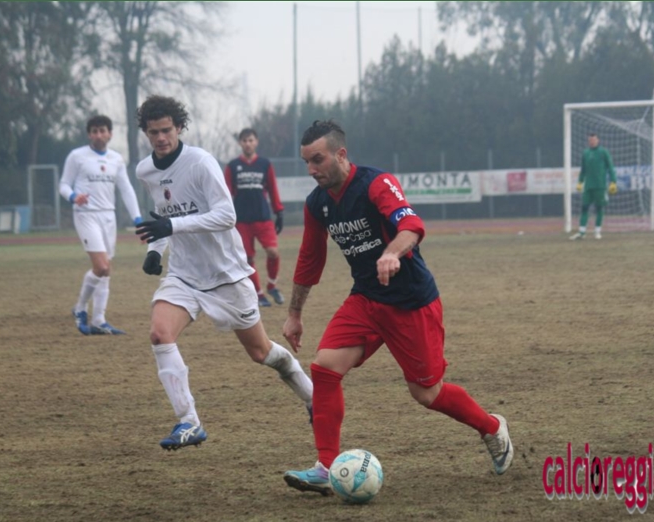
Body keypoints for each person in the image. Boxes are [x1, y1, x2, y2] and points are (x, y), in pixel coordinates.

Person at [281, 120, 513, 495]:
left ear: (341, 154)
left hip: (410, 302)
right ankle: (326, 467)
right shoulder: (317, 204)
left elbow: (411, 225)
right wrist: (294, 314)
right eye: (306, 162)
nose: (311, 169)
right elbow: (310, 259)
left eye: (317, 160)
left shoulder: (376, 183)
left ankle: (492, 428)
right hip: (366, 300)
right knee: (324, 368)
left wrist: (391, 253)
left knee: (427, 394)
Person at [133, 95, 313, 450]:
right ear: (146, 133)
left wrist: (172, 227)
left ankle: (312, 396)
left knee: (261, 353)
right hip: (184, 275)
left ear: (179, 127)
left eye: (167, 130)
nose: (161, 138)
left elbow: (226, 216)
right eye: (153, 132)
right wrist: (156, 250)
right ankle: (189, 422)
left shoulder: (200, 162)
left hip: (227, 276)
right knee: (159, 334)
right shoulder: (145, 171)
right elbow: (163, 217)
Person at [60, 115, 143, 335]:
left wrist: (137, 218)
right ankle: (80, 309)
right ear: (89, 134)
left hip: (109, 217)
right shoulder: (77, 156)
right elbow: (64, 184)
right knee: (102, 267)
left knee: (107, 270)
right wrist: (73, 197)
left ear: (110, 134)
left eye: (102, 130)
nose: (98, 135)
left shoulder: (116, 159)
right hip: (86, 215)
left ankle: (98, 320)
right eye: (94, 131)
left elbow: (126, 189)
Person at [224, 128, 285, 308]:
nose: (248, 144)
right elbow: (226, 193)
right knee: (248, 259)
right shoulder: (233, 166)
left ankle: (272, 285)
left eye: (250, 140)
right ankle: (259, 294)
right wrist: (224, 215)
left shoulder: (265, 164)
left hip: (263, 218)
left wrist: (279, 211)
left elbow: (273, 189)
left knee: (273, 252)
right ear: (240, 143)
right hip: (241, 221)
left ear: (256, 142)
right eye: (244, 141)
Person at [570, 132, 617, 240]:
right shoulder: (586, 153)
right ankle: (582, 232)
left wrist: (613, 181)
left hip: (600, 186)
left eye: (594, 140)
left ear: (598, 140)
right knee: (584, 207)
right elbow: (583, 169)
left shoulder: (603, 152)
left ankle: (597, 231)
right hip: (588, 186)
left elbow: (610, 167)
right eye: (590, 140)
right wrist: (580, 182)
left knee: (599, 208)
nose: (592, 142)